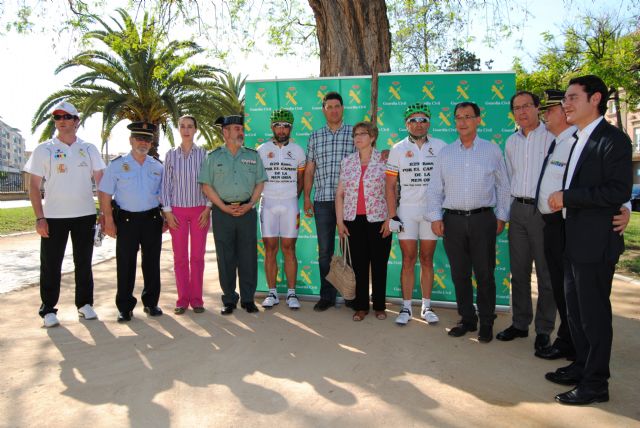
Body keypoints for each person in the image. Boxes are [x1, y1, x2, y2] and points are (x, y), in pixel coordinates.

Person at [545, 75, 632, 405]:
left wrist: (568, 197)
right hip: (575, 240)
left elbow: (617, 190)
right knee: (577, 312)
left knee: (594, 316)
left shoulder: (614, 140)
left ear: (595, 98)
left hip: (595, 243)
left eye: (571, 97)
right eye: (565, 98)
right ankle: (581, 365)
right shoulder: (579, 137)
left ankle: (596, 383)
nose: (565, 103)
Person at [426, 101, 510, 343]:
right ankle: (467, 319)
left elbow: (503, 185)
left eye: (468, 117)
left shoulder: (492, 150)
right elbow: (434, 189)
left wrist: (502, 215)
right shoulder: (446, 153)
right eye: (458, 117)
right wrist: (435, 217)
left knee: (485, 274)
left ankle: (486, 322)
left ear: (478, 120)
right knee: (460, 274)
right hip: (452, 221)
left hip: (483, 219)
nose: (462, 122)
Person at [24, 101, 106, 328]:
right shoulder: (44, 149)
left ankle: (84, 304)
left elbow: (101, 181)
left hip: (85, 215)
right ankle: (48, 309)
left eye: (66, 117)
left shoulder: (88, 148)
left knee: (84, 262)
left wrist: (103, 213)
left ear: (76, 121)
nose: (61, 121)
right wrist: (40, 217)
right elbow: (33, 186)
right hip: (53, 217)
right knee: (51, 264)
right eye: (57, 117)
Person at [497, 91, 556, 352]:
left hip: (545, 213)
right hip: (518, 211)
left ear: (537, 108)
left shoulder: (554, 137)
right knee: (519, 272)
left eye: (526, 106)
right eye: (517, 108)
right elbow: (507, 180)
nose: (522, 112)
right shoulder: (511, 142)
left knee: (546, 274)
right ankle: (520, 324)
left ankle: (544, 329)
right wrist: (504, 212)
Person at [384, 103, 447, 326]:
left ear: (429, 122)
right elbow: (390, 185)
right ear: (406, 124)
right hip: (407, 211)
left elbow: (447, 180)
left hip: (431, 212)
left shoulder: (441, 146)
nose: (418, 124)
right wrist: (392, 215)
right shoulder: (398, 148)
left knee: (427, 259)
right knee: (408, 259)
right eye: (413, 120)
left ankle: (426, 306)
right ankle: (406, 306)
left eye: (423, 120)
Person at [198, 115, 267, 315]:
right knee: (225, 257)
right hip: (222, 213)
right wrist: (222, 206)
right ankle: (229, 299)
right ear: (225, 132)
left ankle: (247, 299)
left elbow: (260, 182)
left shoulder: (253, 156)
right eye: (235, 128)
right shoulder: (213, 157)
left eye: (241, 128)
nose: (240, 132)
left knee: (248, 257)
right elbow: (206, 185)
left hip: (247, 212)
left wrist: (251, 204)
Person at [99, 121, 165, 322]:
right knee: (126, 264)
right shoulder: (117, 165)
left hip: (152, 219)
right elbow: (104, 193)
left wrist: (166, 217)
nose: (143, 142)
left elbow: (164, 194)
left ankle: (151, 303)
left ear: (151, 142)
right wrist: (108, 220)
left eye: (147, 139)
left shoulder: (157, 166)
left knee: (152, 263)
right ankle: (125, 306)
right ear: (131, 140)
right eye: (139, 138)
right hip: (126, 220)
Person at [303, 92, 355, 311]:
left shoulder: (354, 134)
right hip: (323, 200)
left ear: (342, 109)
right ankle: (327, 296)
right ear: (323, 110)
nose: (333, 110)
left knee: (351, 249)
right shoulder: (315, 136)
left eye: (337, 106)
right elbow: (310, 170)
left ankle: (353, 296)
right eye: (329, 106)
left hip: (349, 202)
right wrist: (306, 197)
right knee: (325, 251)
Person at [335, 121, 392, 321]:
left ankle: (379, 305)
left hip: (379, 220)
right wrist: (340, 222)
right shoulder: (347, 162)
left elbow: (392, 192)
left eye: (363, 134)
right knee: (358, 265)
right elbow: (340, 194)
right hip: (353, 221)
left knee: (379, 265)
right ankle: (361, 306)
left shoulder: (385, 160)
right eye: (355, 134)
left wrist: (390, 219)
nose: (358, 137)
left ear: (373, 137)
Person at [161, 115, 212, 315]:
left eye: (190, 126)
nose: (186, 130)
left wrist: (208, 208)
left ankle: (197, 300)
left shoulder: (203, 154)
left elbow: (210, 183)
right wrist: (168, 212)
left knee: (197, 257)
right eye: (182, 126)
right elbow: (165, 184)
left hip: (200, 210)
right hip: (177, 212)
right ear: (178, 129)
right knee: (180, 258)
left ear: (196, 129)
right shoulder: (170, 155)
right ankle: (182, 300)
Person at [257, 109, 306, 310]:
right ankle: (272, 292)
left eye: (286, 126)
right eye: (278, 125)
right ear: (272, 127)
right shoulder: (261, 149)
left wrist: (293, 197)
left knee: (289, 248)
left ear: (290, 128)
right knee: (270, 248)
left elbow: (301, 180)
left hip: (289, 203)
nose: (282, 129)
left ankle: (292, 294)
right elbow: (256, 178)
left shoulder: (297, 150)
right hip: (267, 202)